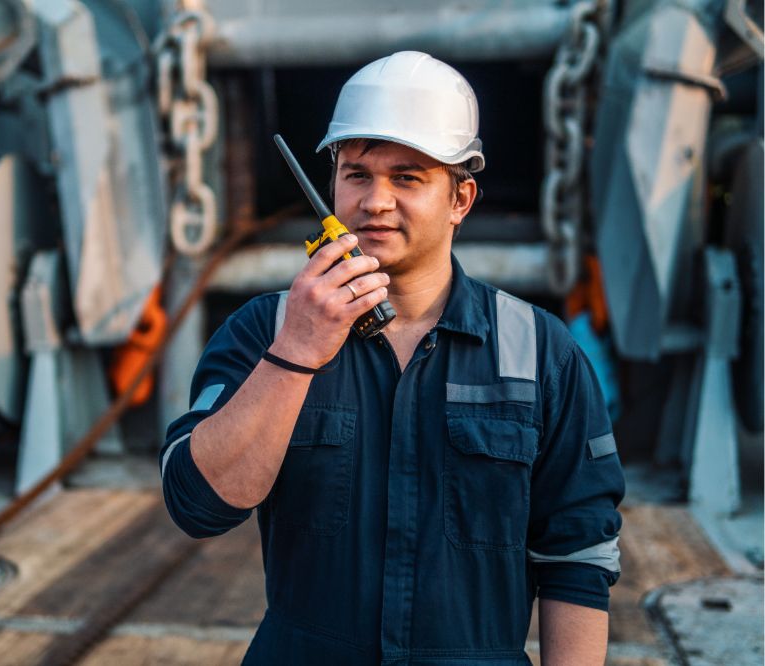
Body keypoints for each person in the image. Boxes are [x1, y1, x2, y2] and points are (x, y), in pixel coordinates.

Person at [160, 51, 625, 665]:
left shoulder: (539, 351)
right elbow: (199, 505)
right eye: (356, 174)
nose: (375, 201)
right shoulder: (265, 331)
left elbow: (576, 555)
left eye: (407, 177)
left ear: (461, 198)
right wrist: (297, 351)